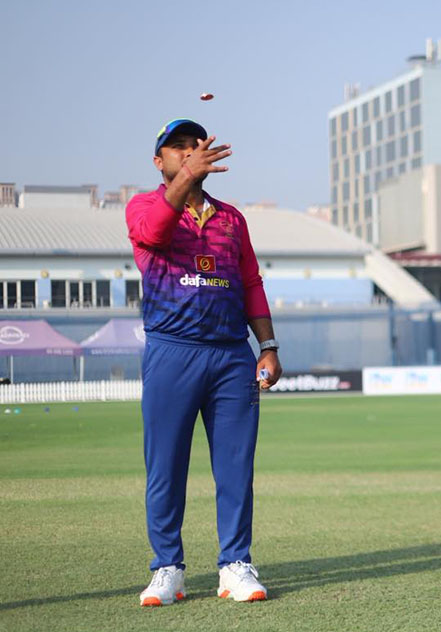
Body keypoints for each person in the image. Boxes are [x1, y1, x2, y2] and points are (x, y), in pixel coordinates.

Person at [126, 119, 283, 606]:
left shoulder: (231, 218)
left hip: (232, 355)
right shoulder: (143, 206)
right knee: (165, 468)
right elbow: (154, 233)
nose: (190, 152)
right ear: (159, 161)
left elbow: (251, 282)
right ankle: (167, 569)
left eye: (195, 145)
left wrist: (268, 346)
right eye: (178, 148)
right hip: (172, 350)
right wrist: (187, 178)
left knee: (236, 468)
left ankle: (235, 565)